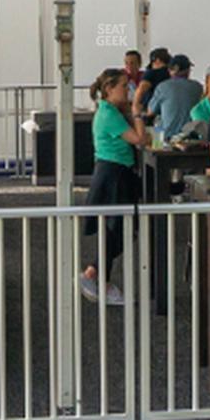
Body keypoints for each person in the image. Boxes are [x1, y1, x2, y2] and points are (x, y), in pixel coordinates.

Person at [81, 68, 149, 306]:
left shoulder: (111, 111)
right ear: (109, 89)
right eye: (123, 86)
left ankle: (97, 274)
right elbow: (139, 140)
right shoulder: (108, 114)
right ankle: (97, 276)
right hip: (113, 174)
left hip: (118, 173)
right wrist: (137, 112)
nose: (127, 90)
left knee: (118, 229)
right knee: (114, 229)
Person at [144, 54, 201, 142]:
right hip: (191, 139)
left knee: (157, 121)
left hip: (166, 139)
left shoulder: (162, 87)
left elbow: (150, 112)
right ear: (187, 70)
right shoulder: (198, 87)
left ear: (170, 70)